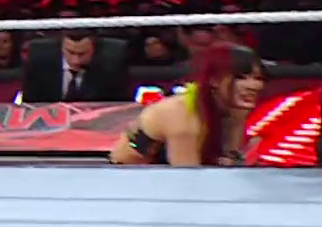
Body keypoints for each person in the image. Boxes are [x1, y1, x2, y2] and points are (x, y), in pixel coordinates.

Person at [109, 42, 264, 166]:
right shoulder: (182, 117)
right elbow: (189, 183)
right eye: (240, 78)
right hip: (129, 179)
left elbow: (231, 157)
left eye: (257, 78)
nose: (253, 86)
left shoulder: (235, 110)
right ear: (214, 80)